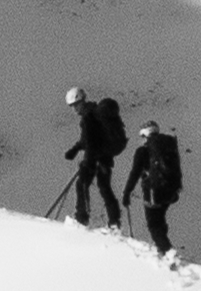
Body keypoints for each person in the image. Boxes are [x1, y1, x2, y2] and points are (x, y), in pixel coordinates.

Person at [56, 87, 128, 228]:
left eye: (75, 105)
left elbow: (89, 142)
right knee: (104, 187)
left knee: (81, 184)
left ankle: (82, 217)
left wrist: (87, 163)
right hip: (105, 156)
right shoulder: (94, 113)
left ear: (82, 101)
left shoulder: (88, 117)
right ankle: (114, 221)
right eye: (72, 106)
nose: (74, 109)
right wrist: (75, 149)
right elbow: (88, 139)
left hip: (95, 157)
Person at [128, 126, 183, 257]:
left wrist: (127, 192)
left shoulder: (142, 151)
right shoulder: (168, 146)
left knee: (153, 223)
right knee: (160, 219)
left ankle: (167, 251)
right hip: (170, 190)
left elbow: (135, 173)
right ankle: (162, 248)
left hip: (153, 192)